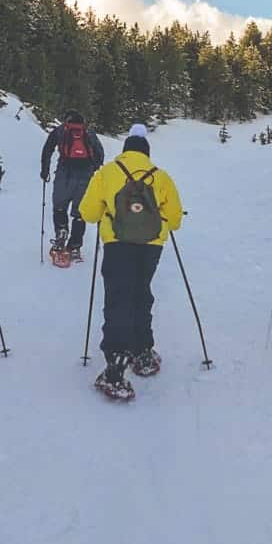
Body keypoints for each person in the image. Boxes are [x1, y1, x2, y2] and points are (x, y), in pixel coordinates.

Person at [79, 123, 183, 399]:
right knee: (141, 293)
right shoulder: (161, 177)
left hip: (117, 244)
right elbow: (174, 220)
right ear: (146, 154)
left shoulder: (107, 173)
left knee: (118, 297)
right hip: (151, 247)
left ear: (125, 150)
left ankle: (115, 364)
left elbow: (88, 213)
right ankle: (143, 351)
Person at [41, 110, 105, 263]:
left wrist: (45, 170)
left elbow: (47, 149)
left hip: (64, 173)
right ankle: (75, 246)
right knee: (80, 212)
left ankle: (61, 232)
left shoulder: (61, 130)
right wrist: (93, 168)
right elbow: (100, 153)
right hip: (85, 176)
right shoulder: (88, 132)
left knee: (59, 207)